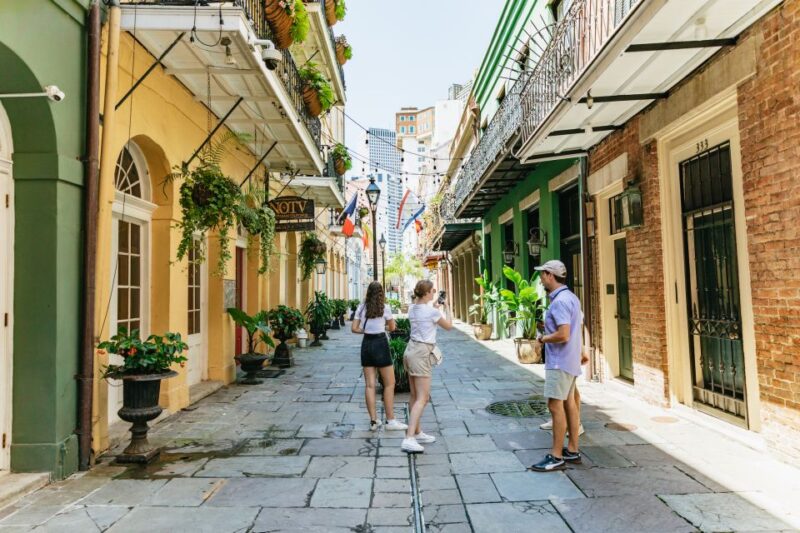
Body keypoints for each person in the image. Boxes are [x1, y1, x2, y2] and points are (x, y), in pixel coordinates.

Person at [529, 260, 584, 472]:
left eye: (542, 275)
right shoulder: (571, 298)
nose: (541, 279)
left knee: (554, 406)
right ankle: (572, 449)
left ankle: (556, 455)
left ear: (550, 275)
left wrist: (543, 339)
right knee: (569, 403)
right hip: (569, 360)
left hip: (559, 361)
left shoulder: (560, 302)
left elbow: (563, 334)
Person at [401, 280, 452, 453]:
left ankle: (417, 432)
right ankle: (409, 438)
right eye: (432, 291)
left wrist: (436, 306)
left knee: (415, 396)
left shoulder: (412, 308)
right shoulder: (431, 312)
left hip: (411, 351)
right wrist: (448, 308)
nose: (434, 293)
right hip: (422, 353)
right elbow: (449, 326)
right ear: (427, 293)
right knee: (423, 398)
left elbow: (425, 314)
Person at [352, 281, 408, 432]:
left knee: (369, 385)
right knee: (389, 383)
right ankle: (390, 420)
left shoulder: (361, 307)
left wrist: (366, 331)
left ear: (368, 293)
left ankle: (373, 421)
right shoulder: (385, 308)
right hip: (380, 343)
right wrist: (380, 327)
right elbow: (392, 327)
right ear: (381, 293)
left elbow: (354, 328)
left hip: (367, 344)